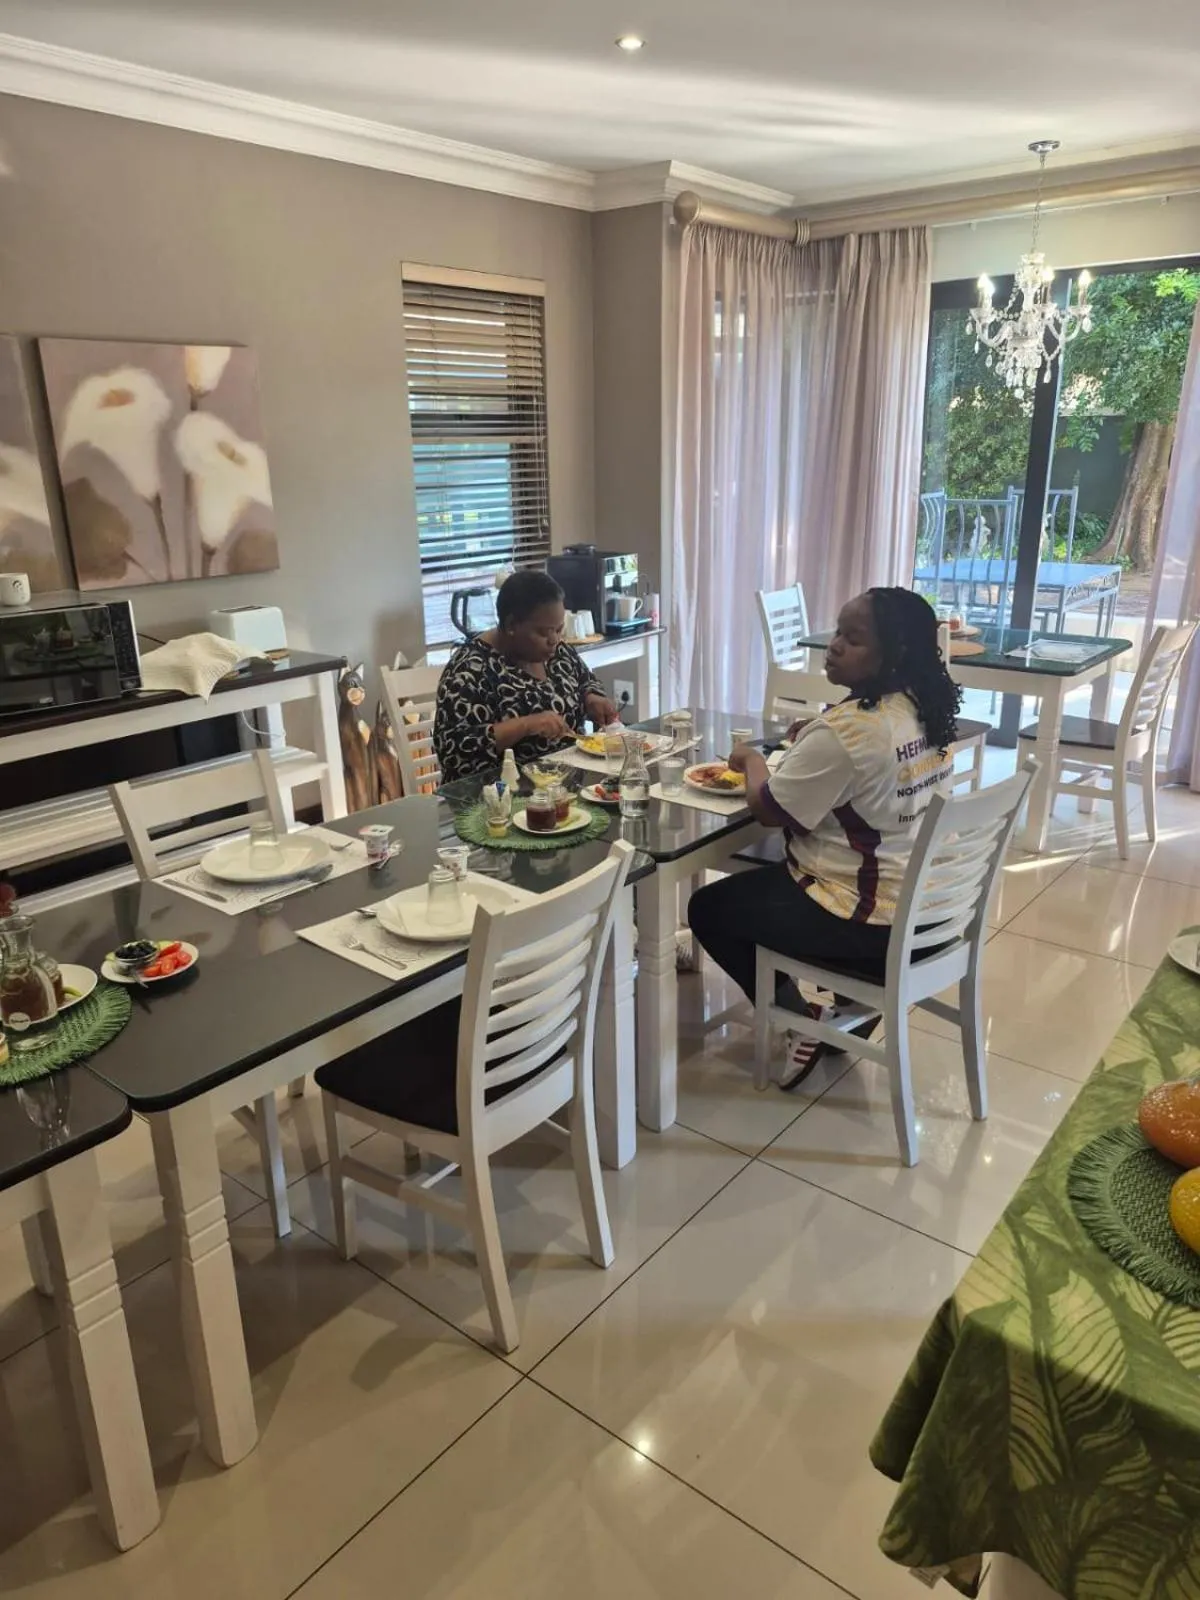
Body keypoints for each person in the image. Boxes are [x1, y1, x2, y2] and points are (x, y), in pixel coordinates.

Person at [688, 586, 962, 1088]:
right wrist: (817, 735)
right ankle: (852, 1009)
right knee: (767, 882)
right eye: (837, 632)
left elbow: (769, 810)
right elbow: (867, 765)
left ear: (893, 654)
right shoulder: (922, 707)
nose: (834, 645)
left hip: (873, 921)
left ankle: (802, 1019)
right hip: (935, 910)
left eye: (852, 639)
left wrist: (749, 759)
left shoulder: (848, 732)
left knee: (709, 908)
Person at [434, 570, 620, 783]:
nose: (554, 640)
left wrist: (592, 697)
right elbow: (454, 752)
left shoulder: (557, 652)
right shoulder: (468, 671)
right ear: (512, 625)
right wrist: (527, 725)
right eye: (543, 632)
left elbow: (585, 679)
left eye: (559, 629)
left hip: (564, 786)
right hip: (496, 798)